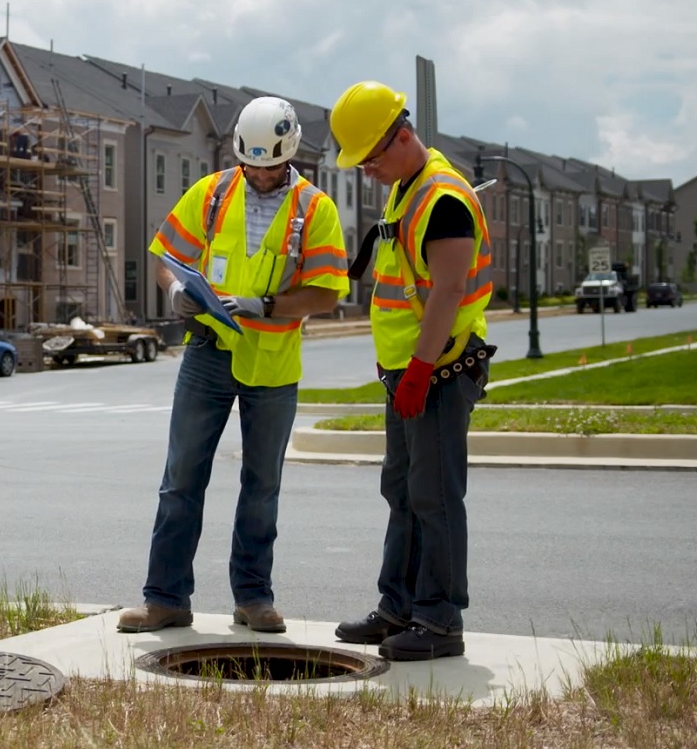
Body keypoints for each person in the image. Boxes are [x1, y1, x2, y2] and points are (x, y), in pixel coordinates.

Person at [118, 96, 350, 635]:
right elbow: (166, 257)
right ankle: (165, 598)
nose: (259, 175)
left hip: (271, 363)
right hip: (207, 353)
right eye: (251, 163)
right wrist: (175, 287)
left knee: (261, 484)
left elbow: (325, 295)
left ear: (289, 154)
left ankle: (254, 597)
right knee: (181, 479)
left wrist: (264, 306)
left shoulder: (315, 210)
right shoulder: (215, 191)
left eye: (269, 167)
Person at [327, 80, 495, 661]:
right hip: (408, 372)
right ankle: (397, 607)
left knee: (436, 496)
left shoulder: (443, 198)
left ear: (402, 137)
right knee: (401, 490)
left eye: (371, 157)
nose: (366, 171)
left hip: (440, 373)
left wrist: (420, 371)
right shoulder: (407, 187)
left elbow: (448, 292)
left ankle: (439, 621)